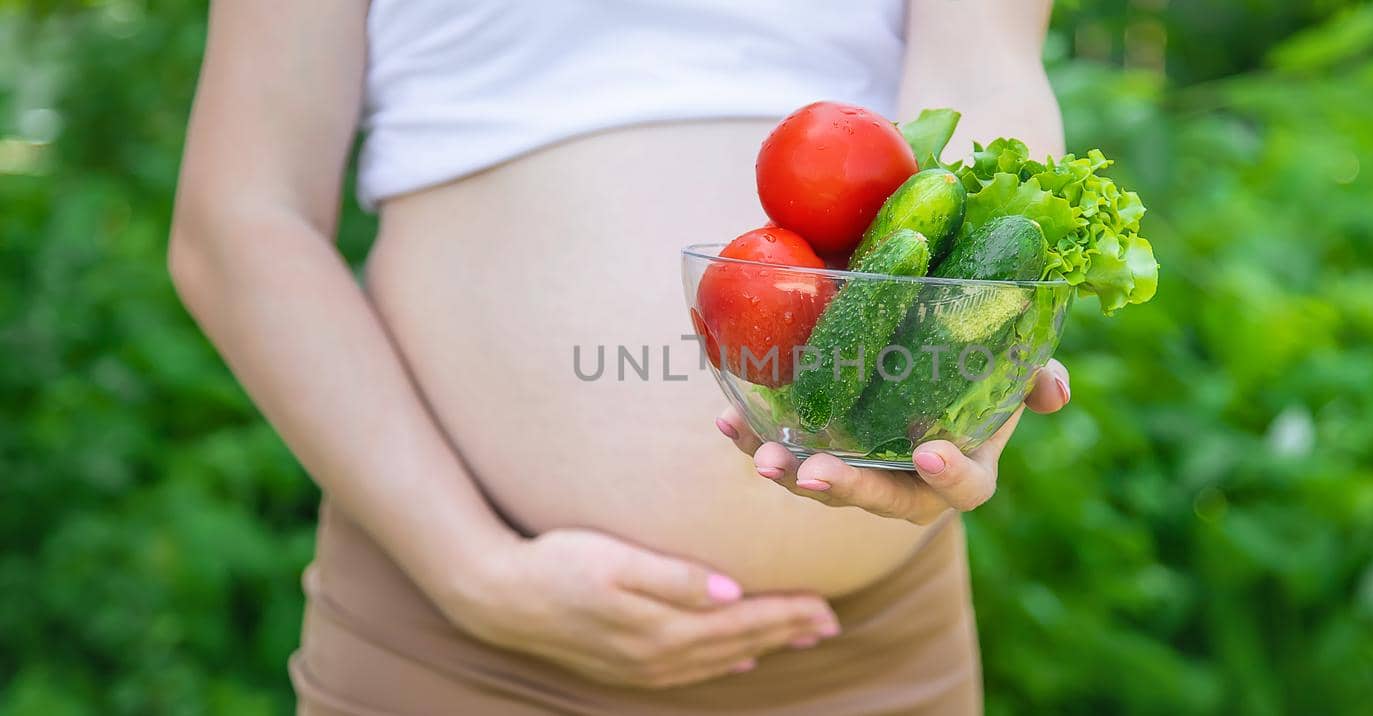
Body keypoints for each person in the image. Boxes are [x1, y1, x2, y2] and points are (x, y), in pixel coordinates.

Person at [169, 1, 1071, 712]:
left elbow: (988, 81)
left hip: (870, 655)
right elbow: (240, 215)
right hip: (456, 648)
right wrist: (474, 572)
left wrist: (984, 357)